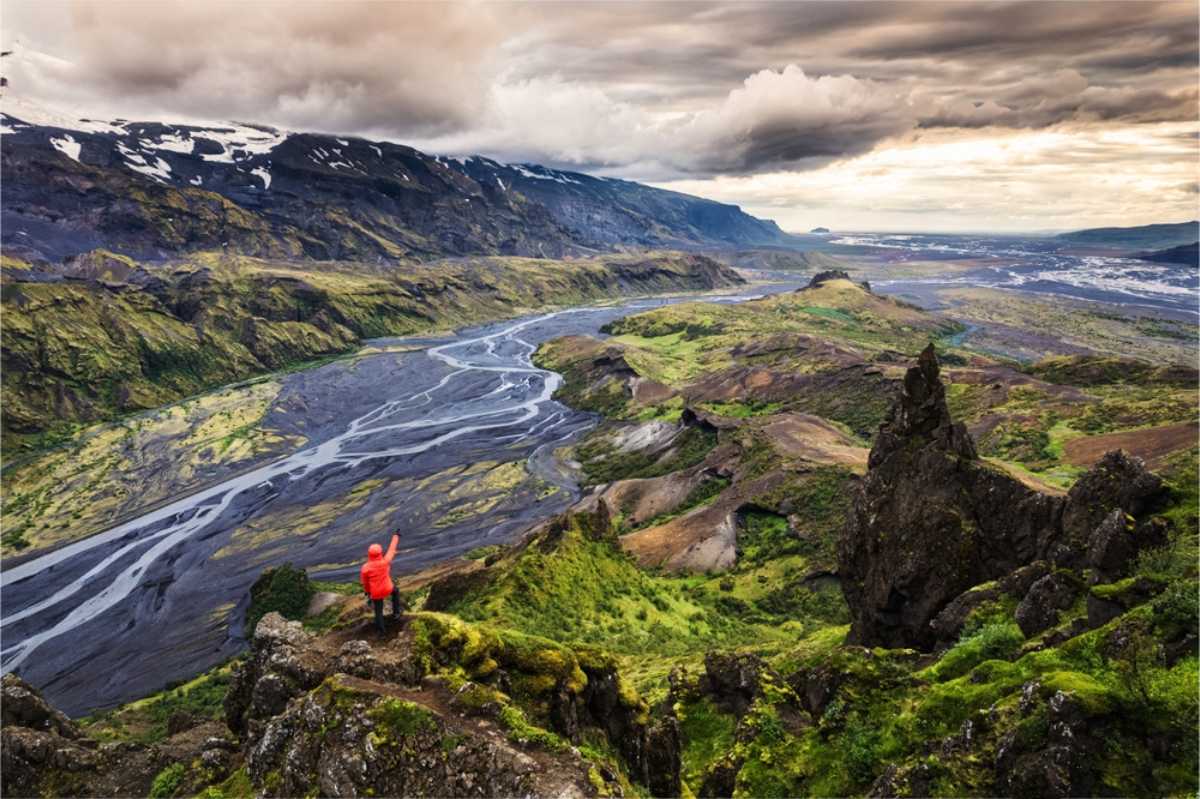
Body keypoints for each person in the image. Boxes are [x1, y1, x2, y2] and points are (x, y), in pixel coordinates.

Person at [360, 532, 402, 633]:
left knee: (378, 612)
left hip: (376, 593)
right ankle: (396, 613)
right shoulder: (385, 561)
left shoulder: (365, 568)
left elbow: (365, 583)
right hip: (388, 588)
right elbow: (392, 550)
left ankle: (381, 632)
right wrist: (396, 536)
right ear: (380, 553)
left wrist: (368, 592)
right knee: (396, 592)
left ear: (369, 554)